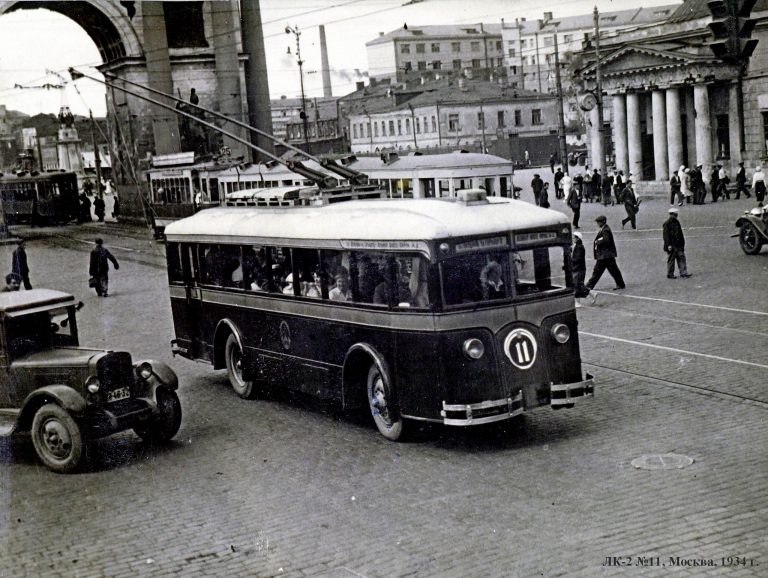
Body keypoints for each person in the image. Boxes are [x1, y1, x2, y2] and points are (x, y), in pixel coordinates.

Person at [586, 215, 625, 291]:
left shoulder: (605, 230)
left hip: (605, 255)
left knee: (597, 271)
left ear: (602, 222)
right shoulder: (604, 229)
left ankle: (589, 285)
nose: (597, 224)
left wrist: (598, 242)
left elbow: (606, 240)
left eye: (598, 222)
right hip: (607, 255)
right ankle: (621, 284)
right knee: (613, 270)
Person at [663, 207, 691, 279]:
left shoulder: (676, 222)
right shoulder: (667, 224)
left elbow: (680, 233)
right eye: (675, 214)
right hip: (672, 245)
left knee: (681, 258)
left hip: (678, 244)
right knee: (672, 260)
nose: (676, 216)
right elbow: (666, 236)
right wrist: (668, 244)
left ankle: (683, 272)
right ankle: (670, 274)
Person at [571, 232, 593, 305]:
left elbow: (578, 258)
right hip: (578, 268)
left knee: (576, 285)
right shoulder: (578, 246)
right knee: (579, 285)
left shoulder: (580, 247)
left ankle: (577, 302)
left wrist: (571, 260)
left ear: (578, 238)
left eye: (574, 237)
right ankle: (592, 293)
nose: (573, 239)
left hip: (579, 269)